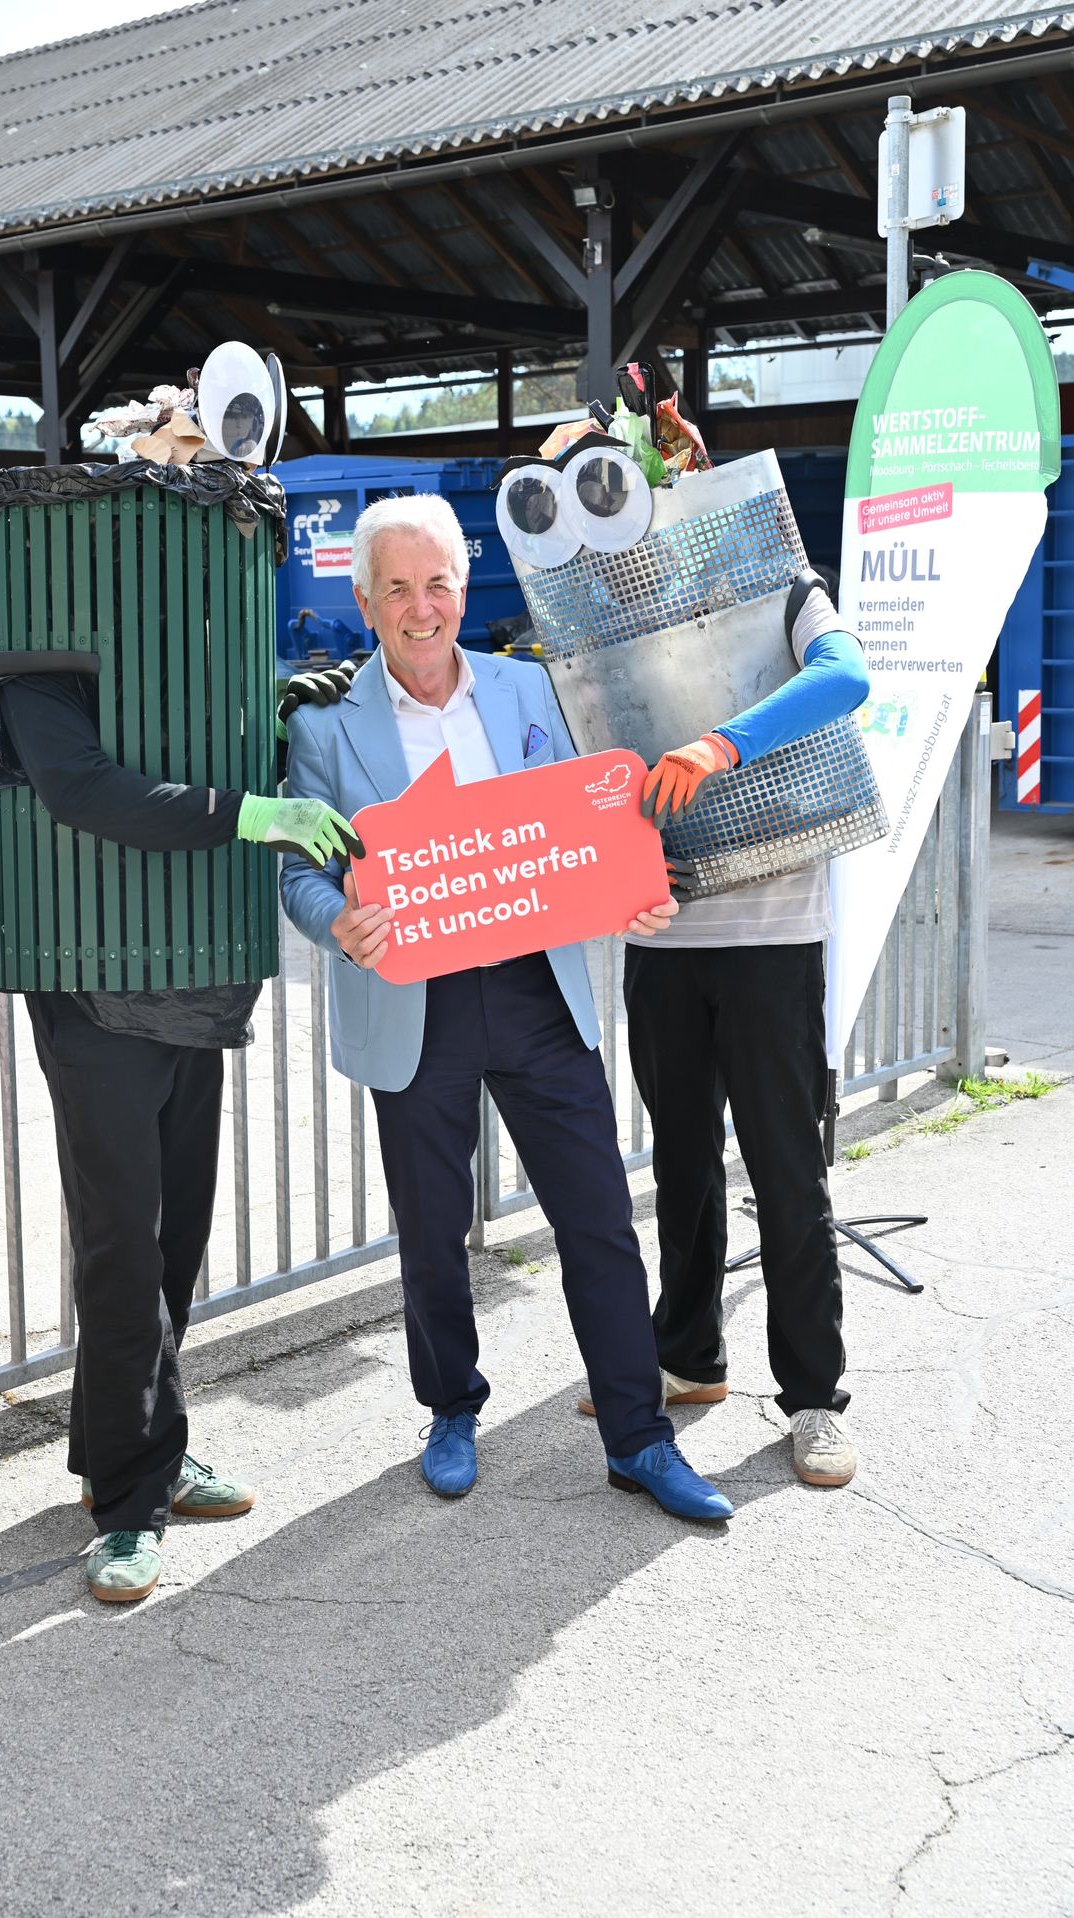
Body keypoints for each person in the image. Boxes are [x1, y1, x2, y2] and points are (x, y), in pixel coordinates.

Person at [279, 493, 733, 1523]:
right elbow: (300, 871)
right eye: (396, 586)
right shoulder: (323, 724)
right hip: (414, 998)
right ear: (363, 601)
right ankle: (451, 1407)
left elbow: (588, 823)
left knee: (600, 1220)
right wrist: (331, 923)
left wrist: (636, 887)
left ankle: (639, 1437)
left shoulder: (532, 690)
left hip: (536, 988)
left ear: (461, 585)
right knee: (434, 1230)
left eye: (437, 581)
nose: (422, 605)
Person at [0, 663, 361, 1603]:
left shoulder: (187, 657)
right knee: (122, 1248)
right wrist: (251, 814)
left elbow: (190, 752)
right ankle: (128, 1505)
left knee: (175, 1240)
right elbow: (82, 787)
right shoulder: (37, 671)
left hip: (191, 982)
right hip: (86, 986)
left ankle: (131, 1445)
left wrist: (277, 710)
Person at [577, 571, 868, 1488]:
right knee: (682, 1161)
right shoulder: (600, 611)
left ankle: (814, 1396)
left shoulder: (778, 585)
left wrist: (719, 746)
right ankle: (689, 1355)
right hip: (662, 932)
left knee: (785, 1163)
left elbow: (845, 674)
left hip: (771, 934)